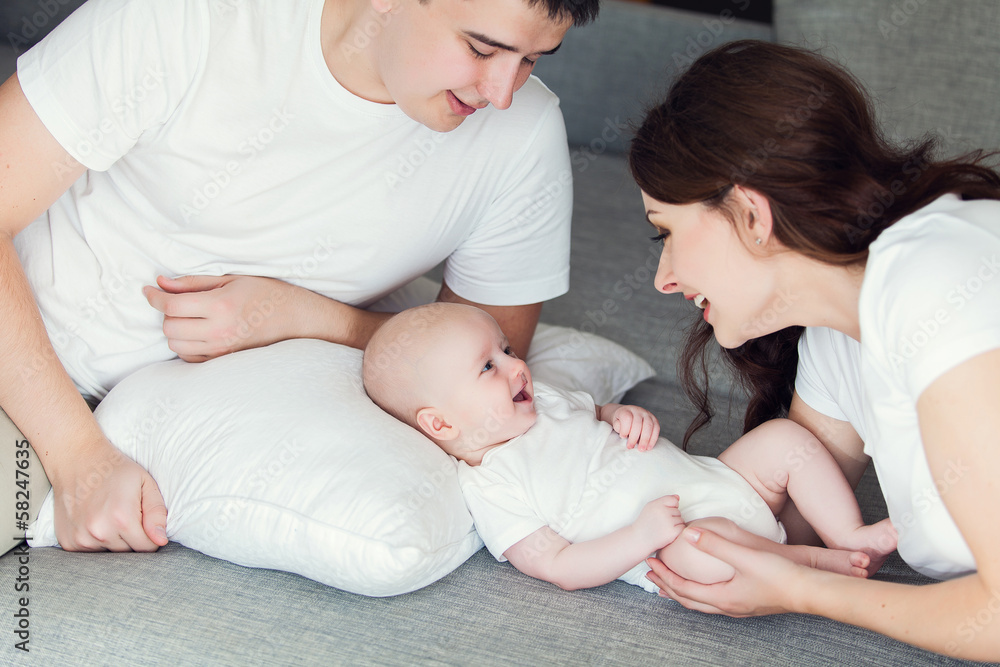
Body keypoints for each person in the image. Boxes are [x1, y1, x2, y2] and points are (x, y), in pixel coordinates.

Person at [0, 0, 598, 554]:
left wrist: (309, 317)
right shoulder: (187, 17)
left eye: (531, 61)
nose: (500, 93)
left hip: (182, 426)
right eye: (481, 49)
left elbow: (487, 374)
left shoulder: (522, 134)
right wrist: (79, 456)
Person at [628, 39, 1000, 660]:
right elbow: (770, 522)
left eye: (665, 231)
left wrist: (804, 590)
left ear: (750, 213)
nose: (662, 278)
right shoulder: (840, 337)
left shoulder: (940, 283)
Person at [362, 302, 897, 592]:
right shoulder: (491, 484)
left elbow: (598, 413)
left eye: (504, 349)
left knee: (783, 439)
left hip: (725, 482)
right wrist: (640, 537)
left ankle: (848, 531)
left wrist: (624, 416)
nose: (515, 365)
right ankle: (806, 561)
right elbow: (559, 567)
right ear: (440, 423)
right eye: (488, 367)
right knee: (699, 548)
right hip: (679, 543)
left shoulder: (542, 399)